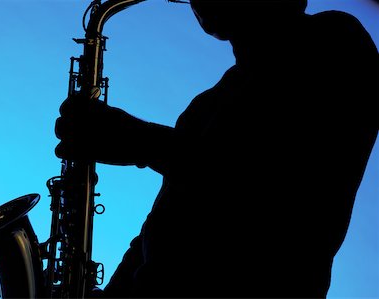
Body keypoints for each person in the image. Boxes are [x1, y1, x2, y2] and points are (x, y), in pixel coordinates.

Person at [55, 0, 378, 297]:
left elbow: (273, 188)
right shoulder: (206, 104)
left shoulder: (336, 40)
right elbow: (162, 229)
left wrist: (141, 141)